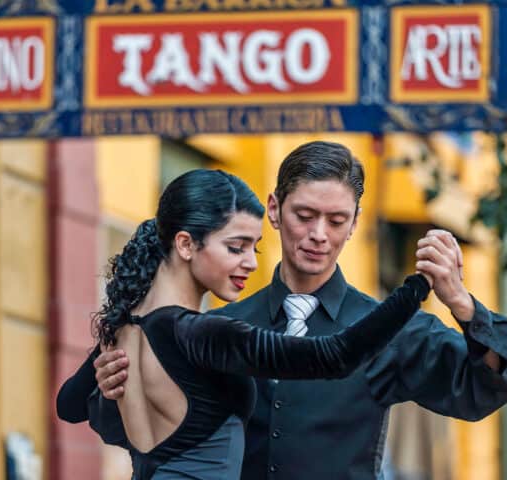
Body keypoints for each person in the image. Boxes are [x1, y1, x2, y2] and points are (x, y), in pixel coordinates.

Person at [94, 141, 507, 479]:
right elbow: (142, 435)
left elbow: (491, 381)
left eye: (336, 220)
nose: (319, 234)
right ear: (274, 210)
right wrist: (113, 391)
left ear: (355, 222)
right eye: (305, 215)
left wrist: (462, 304)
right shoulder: (217, 326)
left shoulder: (391, 331)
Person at [56, 169, 433, 479]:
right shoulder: (201, 333)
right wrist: (417, 287)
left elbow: (69, 406)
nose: (251, 263)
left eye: (254, 248)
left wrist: (108, 392)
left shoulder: (123, 327)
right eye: (236, 248)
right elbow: (336, 354)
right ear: (186, 245)